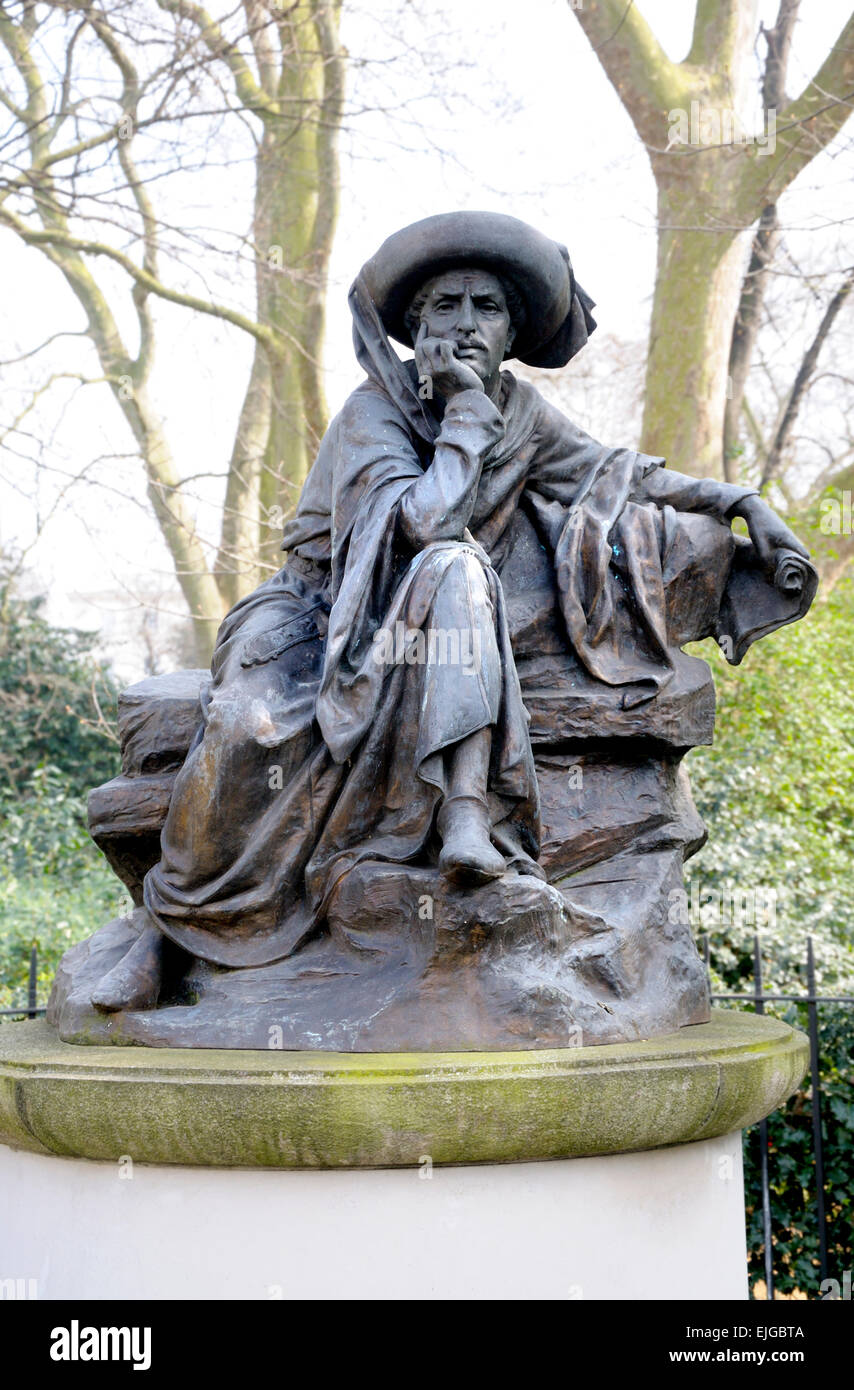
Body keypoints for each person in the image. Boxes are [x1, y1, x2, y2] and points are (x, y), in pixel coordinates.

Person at [91, 211, 809, 1014]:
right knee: (247, 723)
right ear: (413, 326)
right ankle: (173, 932)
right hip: (319, 617)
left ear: (511, 331)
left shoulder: (522, 413)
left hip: (433, 617)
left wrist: (741, 501)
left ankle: (468, 818)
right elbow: (423, 520)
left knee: (459, 568)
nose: (466, 325)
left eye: (487, 307)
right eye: (446, 306)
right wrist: (464, 416)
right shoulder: (377, 411)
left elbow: (620, 476)